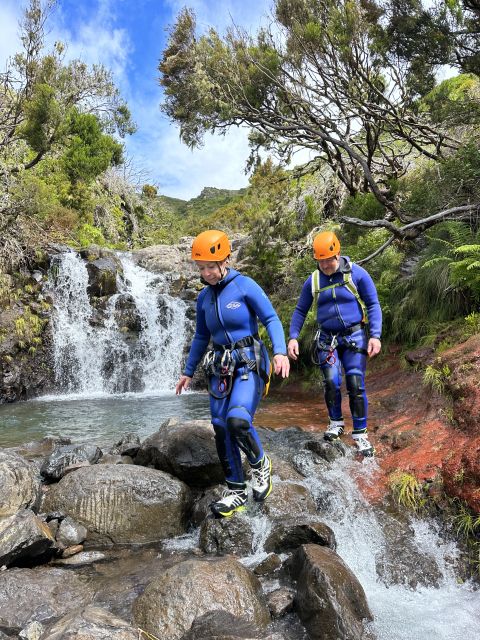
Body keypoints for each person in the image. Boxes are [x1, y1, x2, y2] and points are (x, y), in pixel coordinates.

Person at [176, 230, 290, 517]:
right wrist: (188, 372)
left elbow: (271, 318)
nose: (206, 273)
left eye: (211, 267)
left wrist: (279, 352)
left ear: (225, 260)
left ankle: (260, 464)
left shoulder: (245, 286)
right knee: (220, 427)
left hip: (248, 363)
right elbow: (201, 337)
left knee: (238, 421)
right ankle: (236, 490)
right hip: (220, 366)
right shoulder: (203, 298)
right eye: (201, 268)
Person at [287, 231, 382, 457]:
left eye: (329, 260)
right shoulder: (314, 280)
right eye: (320, 260)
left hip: (354, 336)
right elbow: (300, 310)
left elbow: (373, 304)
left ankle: (360, 433)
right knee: (331, 381)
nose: (325, 265)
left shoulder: (357, 274)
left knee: (355, 383)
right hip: (326, 338)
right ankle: (336, 423)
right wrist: (292, 337)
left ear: (337, 253)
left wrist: (375, 335)